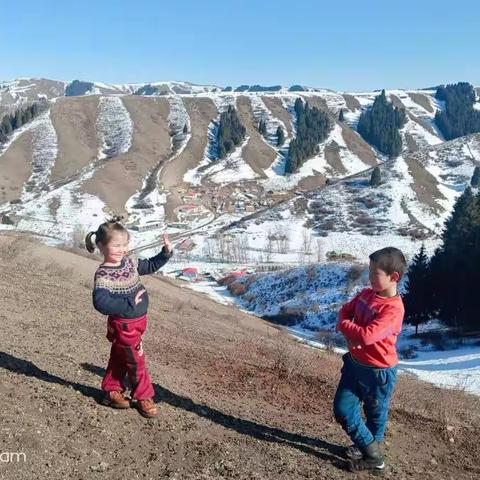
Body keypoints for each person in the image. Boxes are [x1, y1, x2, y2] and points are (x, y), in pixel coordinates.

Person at [85, 216, 173, 418]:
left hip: (138, 322)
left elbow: (149, 266)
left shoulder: (128, 262)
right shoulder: (104, 274)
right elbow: (100, 302)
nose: (122, 249)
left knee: (119, 356)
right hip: (124, 325)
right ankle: (143, 396)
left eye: (125, 245)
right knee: (136, 360)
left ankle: (111, 390)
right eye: (116, 245)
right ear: (101, 245)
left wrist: (165, 254)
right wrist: (129, 304)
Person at [333, 247, 407, 473]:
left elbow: (366, 336)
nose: (369, 276)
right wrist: (351, 330)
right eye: (369, 270)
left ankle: (373, 455)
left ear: (393, 277)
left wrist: (349, 328)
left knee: (376, 414)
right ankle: (369, 448)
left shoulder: (393, 310)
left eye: (375, 273)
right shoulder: (366, 294)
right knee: (343, 409)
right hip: (355, 365)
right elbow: (343, 312)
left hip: (378, 371)